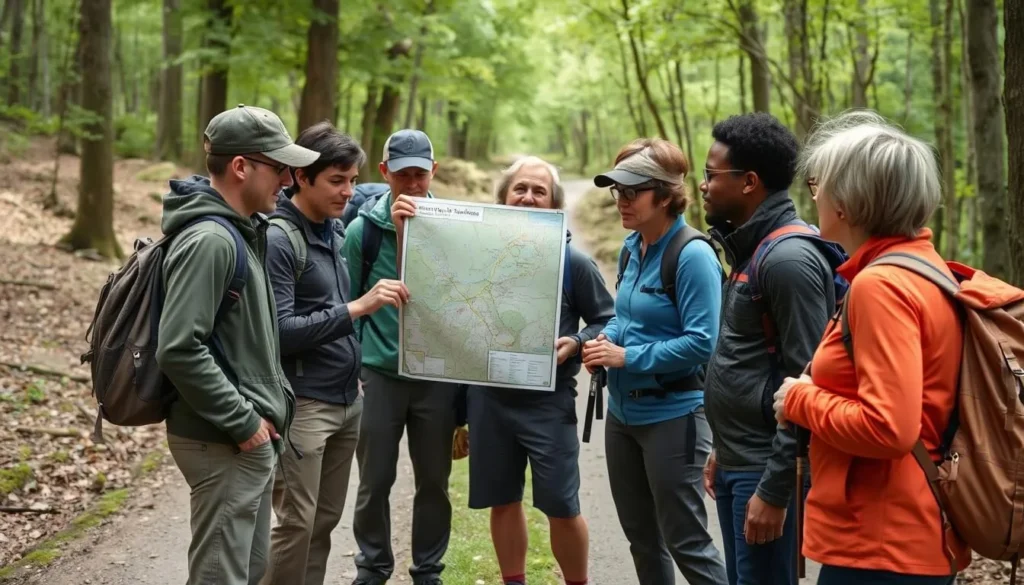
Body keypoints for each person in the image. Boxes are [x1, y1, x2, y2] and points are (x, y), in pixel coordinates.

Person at [773, 111, 968, 584]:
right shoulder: (927, 271)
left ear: (848, 203)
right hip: (906, 533)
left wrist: (799, 399)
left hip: (882, 544)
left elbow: (890, 427)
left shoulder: (881, 286)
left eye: (820, 183)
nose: (813, 194)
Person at [156, 105, 319, 585]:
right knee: (219, 576)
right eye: (280, 167)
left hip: (241, 441)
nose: (289, 180)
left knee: (245, 571)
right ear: (241, 167)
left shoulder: (243, 231)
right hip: (221, 438)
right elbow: (179, 347)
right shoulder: (211, 240)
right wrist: (244, 421)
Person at [261, 122, 409, 585]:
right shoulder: (280, 239)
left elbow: (331, 317)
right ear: (302, 177)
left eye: (352, 179)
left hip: (348, 400)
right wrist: (359, 306)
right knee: (296, 522)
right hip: (303, 403)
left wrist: (355, 365)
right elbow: (280, 331)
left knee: (323, 522)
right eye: (337, 181)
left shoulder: (336, 231)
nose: (350, 191)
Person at [698, 112, 838, 585]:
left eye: (710, 175)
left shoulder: (788, 260)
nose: (702, 186)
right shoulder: (750, 251)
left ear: (749, 182)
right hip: (740, 461)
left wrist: (777, 488)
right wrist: (721, 448)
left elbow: (808, 379)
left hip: (766, 469)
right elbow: (747, 360)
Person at [581, 138, 728, 585]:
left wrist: (627, 356)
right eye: (616, 191)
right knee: (642, 540)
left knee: (686, 541)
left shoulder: (693, 255)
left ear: (665, 195)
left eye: (632, 192)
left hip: (673, 416)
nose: (621, 201)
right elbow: (627, 319)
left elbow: (703, 342)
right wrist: (603, 341)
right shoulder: (631, 248)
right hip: (623, 418)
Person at [461, 156, 615, 585]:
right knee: (502, 501)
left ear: (553, 204)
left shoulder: (575, 264)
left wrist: (579, 343)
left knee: (562, 506)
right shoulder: (475, 259)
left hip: (549, 403)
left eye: (539, 190)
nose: (528, 196)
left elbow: (607, 319)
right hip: (488, 400)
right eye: (520, 188)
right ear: (504, 199)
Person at [342, 129, 458, 585]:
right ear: (384, 172)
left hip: (436, 375)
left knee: (434, 481)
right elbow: (346, 306)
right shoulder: (362, 232)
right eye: (403, 174)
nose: (412, 184)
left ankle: (428, 570)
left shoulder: (456, 228)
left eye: (420, 174)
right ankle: (373, 567)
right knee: (374, 482)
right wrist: (353, 370)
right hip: (378, 376)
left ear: (434, 172)